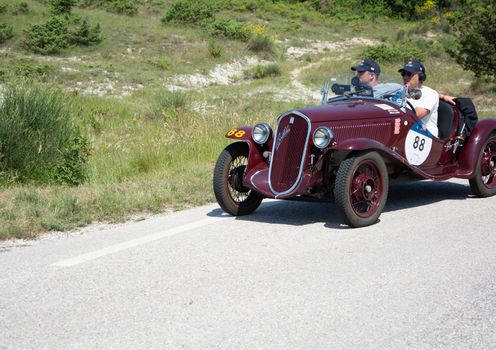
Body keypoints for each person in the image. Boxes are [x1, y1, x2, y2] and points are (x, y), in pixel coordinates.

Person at [399, 60, 439, 137]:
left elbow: (414, 116)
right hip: (405, 131)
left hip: (425, 135)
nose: (405, 77)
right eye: (403, 74)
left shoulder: (430, 94)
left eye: (409, 74)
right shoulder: (400, 91)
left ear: (421, 77)